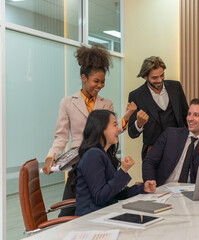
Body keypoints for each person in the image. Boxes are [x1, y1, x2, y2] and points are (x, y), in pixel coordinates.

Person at [43, 44, 136, 216]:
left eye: (103, 82)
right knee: (68, 212)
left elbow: (111, 130)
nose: (100, 85)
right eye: (96, 81)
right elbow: (61, 136)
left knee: (102, 205)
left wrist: (127, 117)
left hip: (101, 159)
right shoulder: (67, 103)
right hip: (79, 161)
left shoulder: (106, 103)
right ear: (84, 77)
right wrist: (51, 156)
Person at [75, 110, 156, 216]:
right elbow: (100, 197)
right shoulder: (93, 155)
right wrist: (123, 171)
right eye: (114, 125)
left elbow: (116, 192)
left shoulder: (103, 154)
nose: (119, 129)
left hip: (104, 214)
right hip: (91, 218)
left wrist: (143, 188)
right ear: (101, 128)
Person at [142, 99, 199, 186]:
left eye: (196, 115)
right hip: (162, 190)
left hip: (191, 195)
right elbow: (150, 161)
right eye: (189, 114)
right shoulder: (170, 134)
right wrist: (150, 181)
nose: (190, 119)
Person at [128, 56, 189, 160]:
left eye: (162, 75)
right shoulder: (136, 96)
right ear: (145, 77)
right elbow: (132, 133)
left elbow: (186, 116)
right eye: (154, 77)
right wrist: (139, 123)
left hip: (179, 148)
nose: (160, 80)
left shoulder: (176, 87)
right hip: (153, 153)